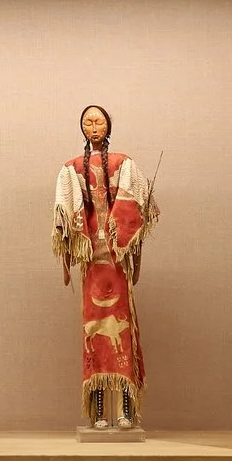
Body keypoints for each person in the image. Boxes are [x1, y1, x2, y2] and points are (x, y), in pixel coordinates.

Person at [53, 105, 159, 432]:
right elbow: (65, 209)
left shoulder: (123, 164)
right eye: (88, 121)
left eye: (99, 121)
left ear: (108, 125)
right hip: (93, 262)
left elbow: (135, 203)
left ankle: (125, 411)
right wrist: (77, 238)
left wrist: (120, 233)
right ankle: (99, 412)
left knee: (121, 333)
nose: (94, 126)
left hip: (115, 258)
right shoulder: (71, 168)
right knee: (94, 336)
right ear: (81, 127)